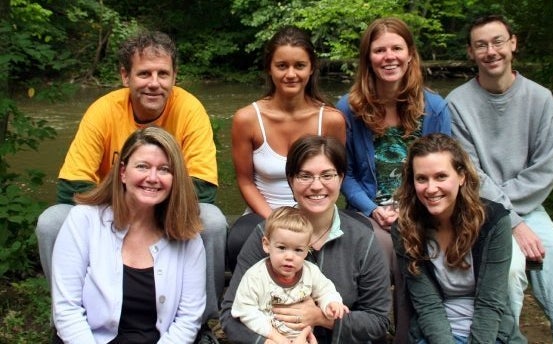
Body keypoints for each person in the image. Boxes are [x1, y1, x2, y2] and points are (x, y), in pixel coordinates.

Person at [35, 30, 227, 338]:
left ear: (175, 76)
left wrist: (152, 198)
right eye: (144, 73)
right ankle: (66, 309)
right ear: (126, 76)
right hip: (108, 211)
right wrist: (126, 203)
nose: (154, 82)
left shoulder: (190, 110)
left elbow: (204, 187)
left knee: (213, 221)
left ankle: (204, 318)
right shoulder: (103, 109)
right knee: (51, 221)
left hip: (169, 206)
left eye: (163, 73)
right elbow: (70, 184)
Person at [446, 14, 553, 343]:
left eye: (497, 41)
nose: (490, 51)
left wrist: (515, 217)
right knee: (508, 277)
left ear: (513, 44)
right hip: (480, 211)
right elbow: (471, 173)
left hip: (532, 210)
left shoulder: (542, 101)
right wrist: (510, 220)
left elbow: (543, 171)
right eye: (481, 45)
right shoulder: (457, 104)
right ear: (471, 52)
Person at [221, 135, 391, 343]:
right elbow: (230, 315)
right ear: (291, 181)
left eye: (327, 175)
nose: (317, 186)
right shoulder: (265, 234)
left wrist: (322, 318)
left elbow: (378, 320)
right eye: (305, 176)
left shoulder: (362, 240)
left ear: (341, 179)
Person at [52, 127, 206, 343]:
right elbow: (67, 309)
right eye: (142, 166)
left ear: (175, 178)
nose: (153, 178)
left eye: (164, 169)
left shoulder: (187, 236)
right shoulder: (83, 221)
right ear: (123, 172)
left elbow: (188, 319)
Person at [336, 17, 451, 268]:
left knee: (418, 247)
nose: (389, 56)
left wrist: (411, 211)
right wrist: (373, 209)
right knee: (378, 249)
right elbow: (344, 173)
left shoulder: (434, 108)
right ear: (368, 58)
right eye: (379, 50)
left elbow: (446, 172)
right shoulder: (349, 109)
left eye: (397, 48)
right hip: (368, 212)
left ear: (410, 54)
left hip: (424, 207)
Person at [228, 25, 345, 271]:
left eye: (299, 66)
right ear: (270, 69)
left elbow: (335, 177)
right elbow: (245, 181)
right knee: (238, 239)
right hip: (264, 213)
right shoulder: (247, 119)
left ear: (311, 68)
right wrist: (276, 222)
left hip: (317, 210)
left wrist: (314, 217)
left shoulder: (332, 120)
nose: (290, 74)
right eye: (282, 66)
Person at [392, 133, 525, 343]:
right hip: (435, 334)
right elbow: (427, 304)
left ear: (461, 176)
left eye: (441, 176)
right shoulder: (405, 229)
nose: (431, 188)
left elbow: (490, 302)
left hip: (490, 333)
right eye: (421, 179)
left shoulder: (493, 222)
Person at [232, 206, 349, 344]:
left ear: (307, 250)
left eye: (298, 250)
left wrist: (331, 303)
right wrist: (275, 337)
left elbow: (325, 290)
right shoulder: (255, 276)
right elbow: (244, 310)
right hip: (270, 338)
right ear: (266, 244)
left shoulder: (310, 272)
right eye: (282, 248)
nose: (289, 256)